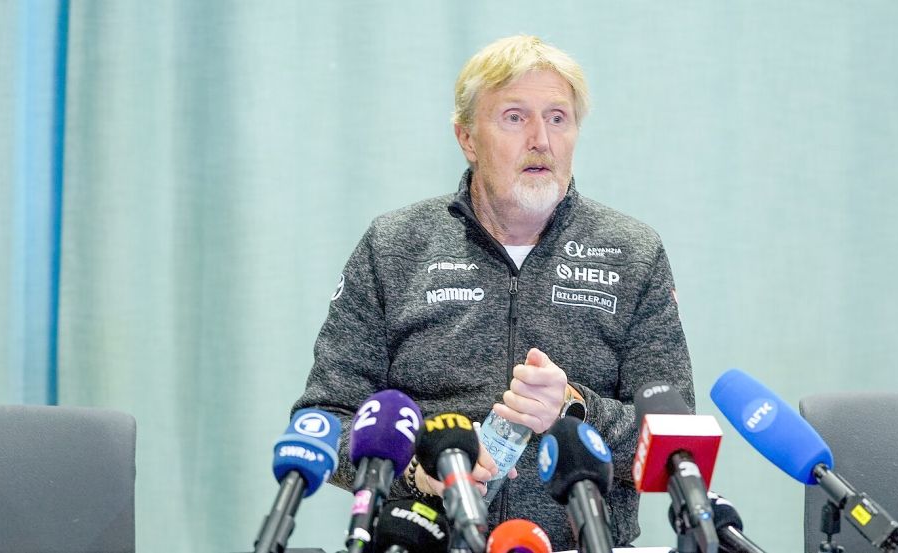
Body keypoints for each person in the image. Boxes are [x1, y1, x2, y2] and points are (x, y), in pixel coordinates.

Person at [292, 35, 694, 550]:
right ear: (466, 138)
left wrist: (574, 409)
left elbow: (675, 445)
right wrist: (417, 467)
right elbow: (325, 419)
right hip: (420, 539)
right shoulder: (394, 245)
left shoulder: (633, 253)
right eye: (513, 117)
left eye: (557, 117)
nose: (541, 140)